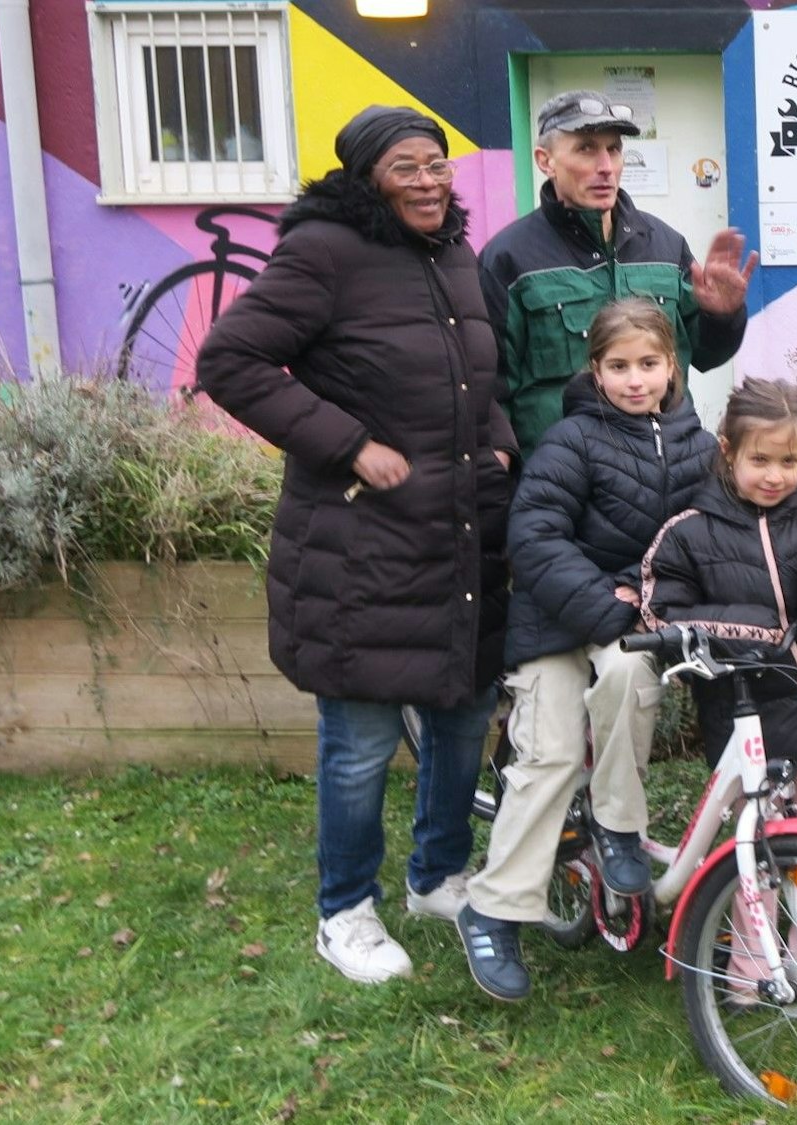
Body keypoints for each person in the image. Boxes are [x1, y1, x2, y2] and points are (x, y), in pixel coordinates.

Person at [197, 106, 516, 984]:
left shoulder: (454, 254)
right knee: (362, 743)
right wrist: (349, 444)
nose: (428, 181)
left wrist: (497, 445)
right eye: (407, 166)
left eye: (437, 164)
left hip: (459, 537)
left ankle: (437, 876)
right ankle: (344, 911)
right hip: (360, 543)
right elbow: (230, 361)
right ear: (367, 177)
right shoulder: (324, 252)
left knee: (461, 719)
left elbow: (477, 377)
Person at [454, 298, 718, 1002]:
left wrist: (640, 593)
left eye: (649, 364)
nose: (635, 379)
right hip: (555, 623)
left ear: (672, 367)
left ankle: (618, 826)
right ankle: (493, 910)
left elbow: (701, 539)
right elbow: (535, 536)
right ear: (595, 371)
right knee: (550, 755)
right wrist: (608, 603)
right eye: (619, 366)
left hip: (628, 620)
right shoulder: (570, 440)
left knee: (630, 672)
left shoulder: (699, 446)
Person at [639, 376, 797, 833]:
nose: (775, 476)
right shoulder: (688, 533)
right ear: (728, 451)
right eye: (760, 460)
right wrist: (760, 629)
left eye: (789, 461)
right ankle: (757, 884)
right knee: (756, 838)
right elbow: (662, 614)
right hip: (743, 717)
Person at [481, 90, 755, 458]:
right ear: (545, 161)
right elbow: (491, 388)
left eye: (613, 149)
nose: (606, 166)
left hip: (665, 467)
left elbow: (706, 355)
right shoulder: (508, 258)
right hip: (564, 474)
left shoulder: (665, 245)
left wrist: (722, 317)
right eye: (586, 149)